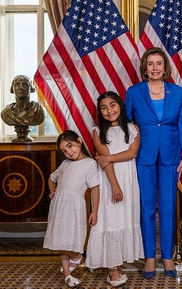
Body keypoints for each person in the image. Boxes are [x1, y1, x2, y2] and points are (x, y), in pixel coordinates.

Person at [124, 47, 182, 279]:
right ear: (144, 67)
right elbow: (128, 126)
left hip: (171, 157)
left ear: (165, 67)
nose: (154, 68)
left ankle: (168, 257)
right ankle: (150, 257)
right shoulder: (133, 92)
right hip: (144, 157)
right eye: (150, 64)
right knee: (147, 208)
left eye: (158, 63)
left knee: (169, 207)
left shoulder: (177, 92)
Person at [85, 92, 144, 288]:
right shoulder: (97, 131)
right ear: (99, 111)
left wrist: (108, 158)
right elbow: (103, 159)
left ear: (120, 105)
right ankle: (112, 271)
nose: (109, 110)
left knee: (124, 219)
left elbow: (132, 153)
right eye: (104, 107)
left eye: (112, 105)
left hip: (128, 178)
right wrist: (114, 185)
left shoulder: (132, 128)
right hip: (109, 180)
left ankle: (117, 266)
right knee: (109, 220)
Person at [43, 130, 100, 288]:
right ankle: (67, 275)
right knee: (59, 240)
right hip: (58, 207)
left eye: (70, 146)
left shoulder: (89, 164)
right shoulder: (65, 164)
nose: (69, 152)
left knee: (68, 242)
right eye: (64, 151)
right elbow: (51, 178)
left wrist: (94, 211)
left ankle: (76, 257)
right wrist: (52, 190)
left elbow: (95, 188)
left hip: (74, 207)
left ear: (79, 141)